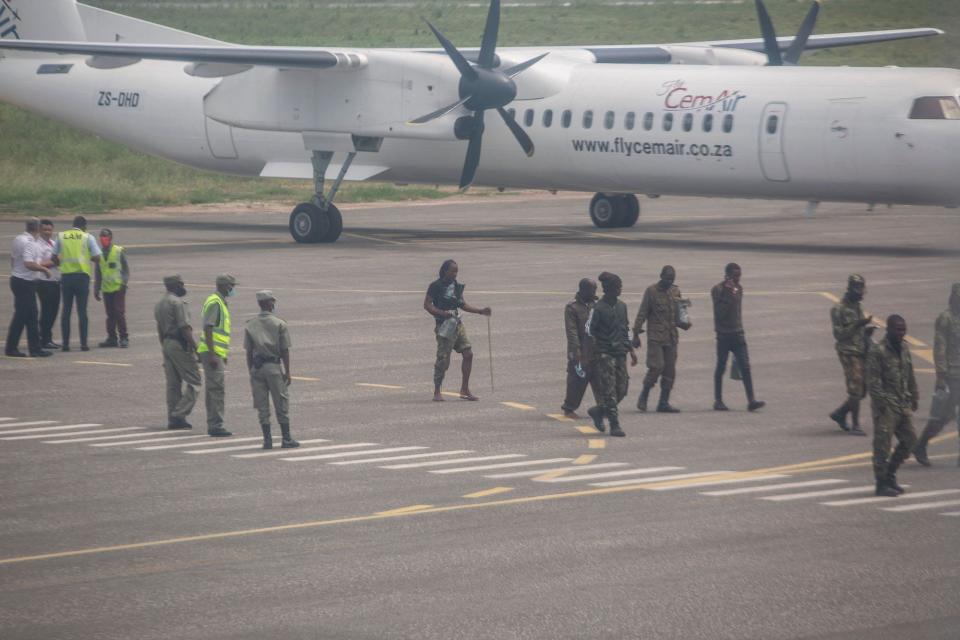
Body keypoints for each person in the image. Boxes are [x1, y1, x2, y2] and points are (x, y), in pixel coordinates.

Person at [423, 259, 492, 402]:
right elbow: (427, 305)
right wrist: (441, 313)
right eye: (453, 271)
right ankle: (437, 390)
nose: (455, 274)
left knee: (468, 354)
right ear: (445, 271)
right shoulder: (435, 286)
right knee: (443, 360)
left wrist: (480, 311)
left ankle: (465, 389)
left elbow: (462, 304)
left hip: (457, 324)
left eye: (456, 271)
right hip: (444, 327)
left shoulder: (455, 285)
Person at [867, 315, 918, 497]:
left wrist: (914, 395)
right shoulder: (878, 351)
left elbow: (909, 372)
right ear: (888, 330)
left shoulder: (904, 347)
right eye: (898, 329)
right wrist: (883, 403)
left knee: (911, 440)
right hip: (886, 405)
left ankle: (891, 474)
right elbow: (873, 382)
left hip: (902, 402)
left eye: (903, 329)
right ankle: (881, 484)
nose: (901, 333)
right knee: (882, 446)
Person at [586, 272, 638, 437]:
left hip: (621, 352)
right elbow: (589, 329)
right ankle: (614, 424)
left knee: (622, 388)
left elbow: (626, 328)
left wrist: (631, 350)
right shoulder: (598, 308)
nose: (620, 289)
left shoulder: (622, 306)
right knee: (609, 390)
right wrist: (597, 347)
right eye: (618, 287)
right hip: (605, 353)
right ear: (609, 289)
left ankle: (599, 410)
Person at [245, 290, 298, 449]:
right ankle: (286, 438)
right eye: (272, 302)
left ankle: (267, 440)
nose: (274, 304)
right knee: (281, 402)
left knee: (262, 405)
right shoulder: (279, 323)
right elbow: (284, 350)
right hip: (273, 367)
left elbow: (248, 351)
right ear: (269, 303)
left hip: (257, 368)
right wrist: (287, 372)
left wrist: (251, 371)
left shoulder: (250, 324)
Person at [632, 265, 690, 413]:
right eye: (667, 278)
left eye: (672, 279)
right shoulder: (651, 291)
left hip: (671, 337)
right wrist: (636, 334)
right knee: (656, 366)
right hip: (656, 337)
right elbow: (642, 312)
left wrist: (685, 321)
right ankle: (644, 395)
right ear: (661, 276)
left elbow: (681, 313)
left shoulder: (675, 291)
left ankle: (663, 402)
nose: (669, 281)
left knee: (670, 370)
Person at [914, 283, 960, 467]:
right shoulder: (945, 319)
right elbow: (940, 349)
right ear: (953, 298)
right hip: (951, 375)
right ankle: (921, 445)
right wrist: (941, 376)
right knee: (941, 417)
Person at [711, 263, 765, 412]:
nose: (738, 279)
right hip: (723, 335)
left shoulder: (739, 289)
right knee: (720, 367)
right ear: (727, 275)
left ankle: (751, 400)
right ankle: (718, 400)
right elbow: (720, 313)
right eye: (735, 276)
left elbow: (737, 312)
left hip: (738, 334)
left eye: (739, 276)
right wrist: (728, 296)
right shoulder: (718, 290)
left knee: (745, 366)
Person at [827, 274, 875, 435]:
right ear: (850, 289)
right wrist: (857, 325)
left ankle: (840, 413)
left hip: (861, 350)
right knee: (855, 388)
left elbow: (858, 330)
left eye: (862, 289)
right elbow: (839, 334)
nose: (861, 293)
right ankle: (855, 424)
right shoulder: (838, 309)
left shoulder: (857, 306)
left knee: (862, 390)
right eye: (859, 289)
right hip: (848, 351)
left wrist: (866, 331)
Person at [154, 274, 202, 430]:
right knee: (195, 380)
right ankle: (179, 414)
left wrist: (164, 347)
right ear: (175, 285)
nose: (184, 287)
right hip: (178, 344)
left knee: (173, 384)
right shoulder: (177, 303)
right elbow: (184, 328)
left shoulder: (160, 304)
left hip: (166, 343)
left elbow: (159, 329)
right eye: (181, 284)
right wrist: (196, 348)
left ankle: (173, 419)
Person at [5, 218, 52, 358]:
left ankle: (35, 348)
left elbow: (13, 259)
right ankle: (11, 347)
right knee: (22, 316)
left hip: (18, 280)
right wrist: (44, 269)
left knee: (31, 315)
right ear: (37, 229)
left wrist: (16, 272)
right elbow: (29, 263)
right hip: (26, 282)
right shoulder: (30, 243)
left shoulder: (18, 239)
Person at [196, 274, 236, 438]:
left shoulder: (218, 301)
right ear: (225, 286)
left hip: (216, 352)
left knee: (215, 389)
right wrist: (213, 354)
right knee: (216, 390)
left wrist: (221, 353)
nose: (233, 289)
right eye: (232, 286)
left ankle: (215, 423)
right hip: (212, 353)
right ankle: (215, 425)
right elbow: (208, 327)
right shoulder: (216, 302)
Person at [55, 215, 101, 352]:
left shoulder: (61, 236)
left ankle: (65, 344)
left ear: (73, 225)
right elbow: (98, 257)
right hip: (82, 277)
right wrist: (87, 257)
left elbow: (53, 256)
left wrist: (61, 263)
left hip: (66, 277)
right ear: (84, 226)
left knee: (66, 311)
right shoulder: (88, 237)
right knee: (82, 311)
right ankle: (83, 344)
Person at [561, 278, 598, 419]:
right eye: (592, 290)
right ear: (583, 290)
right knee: (576, 380)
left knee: (599, 380)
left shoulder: (597, 305)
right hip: (580, 350)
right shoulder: (572, 308)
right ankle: (569, 408)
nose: (594, 293)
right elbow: (572, 331)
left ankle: (604, 406)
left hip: (595, 349)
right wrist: (576, 350)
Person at [94, 229, 131, 348]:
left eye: (105, 237)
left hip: (118, 287)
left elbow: (126, 269)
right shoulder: (98, 254)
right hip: (106, 288)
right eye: (101, 237)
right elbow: (98, 273)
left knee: (119, 312)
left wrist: (124, 283)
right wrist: (96, 288)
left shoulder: (118, 251)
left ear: (110, 238)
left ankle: (124, 337)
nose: (103, 239)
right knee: (110, 314)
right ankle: (111, 337)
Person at [35, 219, 61, 350]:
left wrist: (57, 260)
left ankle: (47, 337)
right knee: (47, 311)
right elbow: (38, 264)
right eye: (45, 229)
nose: (47, 232)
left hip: (55, 281)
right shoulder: (37, 245)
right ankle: (44, 339)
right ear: (39, 230)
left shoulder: (53, 243)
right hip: (44, 282)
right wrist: (54, 262)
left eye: (49, 230)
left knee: (54, 311)